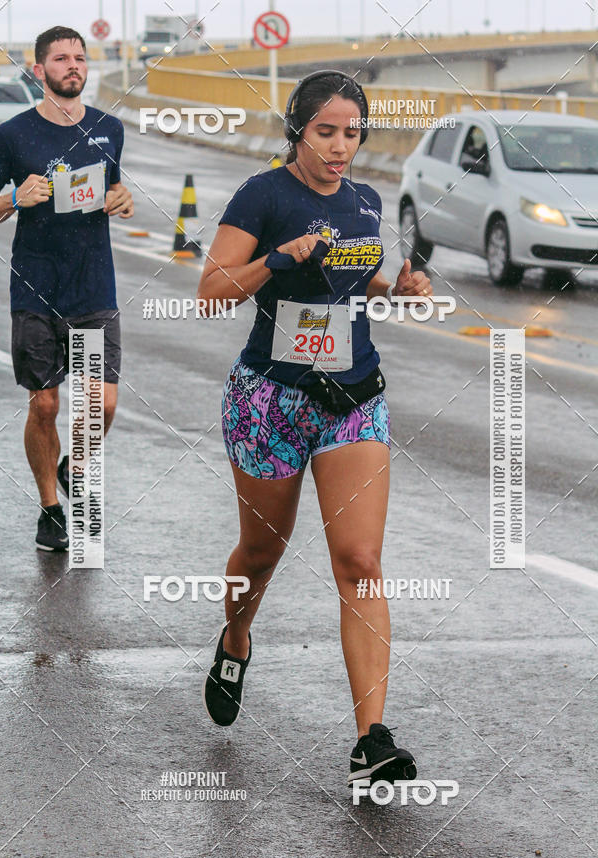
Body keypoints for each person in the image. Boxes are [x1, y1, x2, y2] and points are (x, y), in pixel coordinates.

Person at [197, 70, 432, 784]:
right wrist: (277, 258)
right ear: (297, 130)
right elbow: (211, 291)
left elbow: (357, 286)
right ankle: (237, 636)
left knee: (359, 560)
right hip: (270, 399)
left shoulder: (365, 201)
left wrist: (399, 290)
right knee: (260, 552)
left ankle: (371, 741)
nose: (339, 146)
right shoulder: (263, 195)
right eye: (325, 131)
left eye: (352, 133)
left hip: (352, 395)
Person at [0, 26, 134, 551]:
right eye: (61, 59)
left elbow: (114, 189)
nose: (73, 65)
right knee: (45, 407)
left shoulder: (108, 128)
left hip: (93, 286)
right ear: (40, 70)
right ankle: (50, 510)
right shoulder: (12, 136)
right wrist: (14, 197)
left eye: (79, 58)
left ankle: (73, 465)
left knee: (103, 405)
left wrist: (122, 199)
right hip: (35, 287)